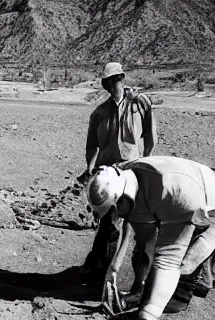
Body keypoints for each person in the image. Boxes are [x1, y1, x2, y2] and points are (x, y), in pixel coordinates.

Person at [86, 156, 215, 320]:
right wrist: (136, 289)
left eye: (116, 210)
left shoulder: (176, 194)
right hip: (172, 193)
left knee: (185, 264)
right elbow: (145, 243)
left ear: (124, 196)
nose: (117, 216)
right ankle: (147, 294)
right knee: (152, 259)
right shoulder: (122, 174)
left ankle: (167, 306)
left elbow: (168, 261)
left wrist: (146, 317)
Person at [78, 62, 158, 295]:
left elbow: (151, 135)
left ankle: (109, 267)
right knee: (111, 220)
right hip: (108, 172)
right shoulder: (99, 113)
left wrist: (148, 161)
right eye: (109, 82)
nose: (114, 86)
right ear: (105, 85)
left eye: (117, 80)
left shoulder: (140, 105)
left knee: (132, 220)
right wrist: (90, 169)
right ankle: (103, 269)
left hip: (133, 170)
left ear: (123, 80)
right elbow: (91, 145)